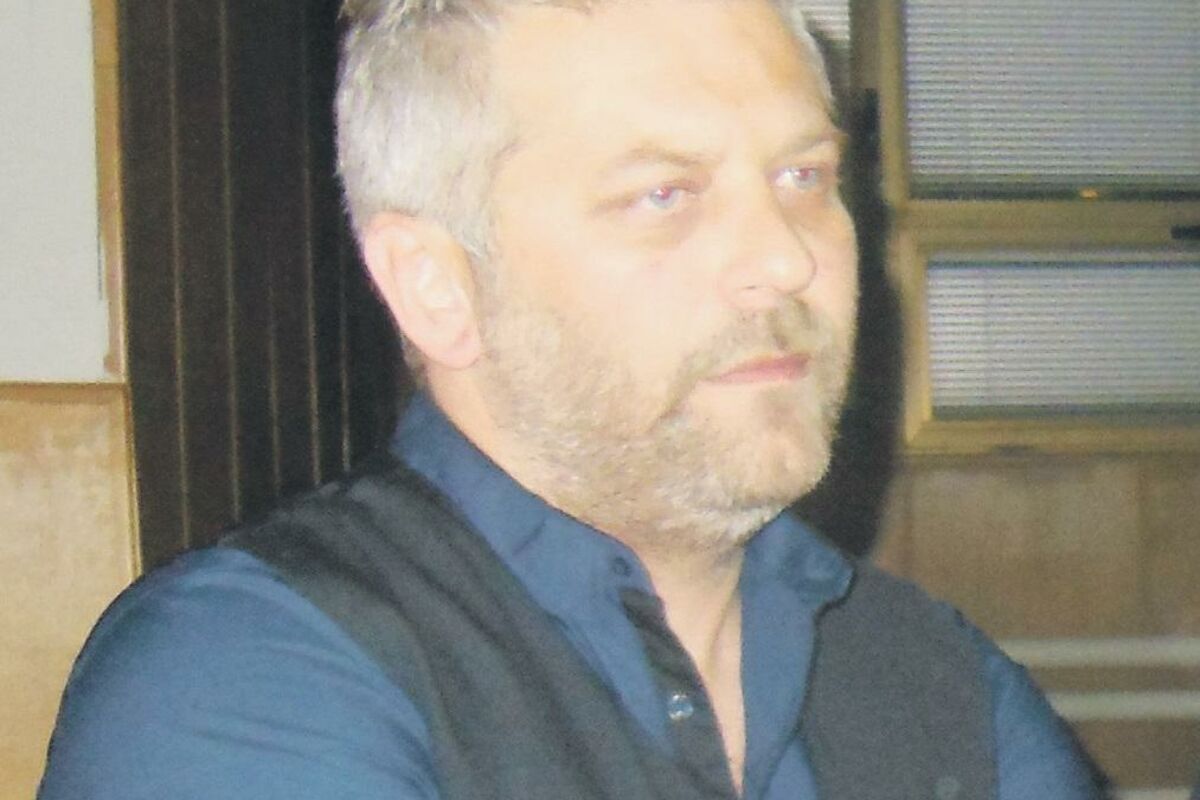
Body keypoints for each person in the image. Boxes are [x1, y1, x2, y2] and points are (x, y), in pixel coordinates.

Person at [39, 1, 1104, 798]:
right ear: (438, 287)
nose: (784, 259)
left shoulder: (938, 679)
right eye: (663, 194)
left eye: (804, 178)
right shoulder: (245, 676)